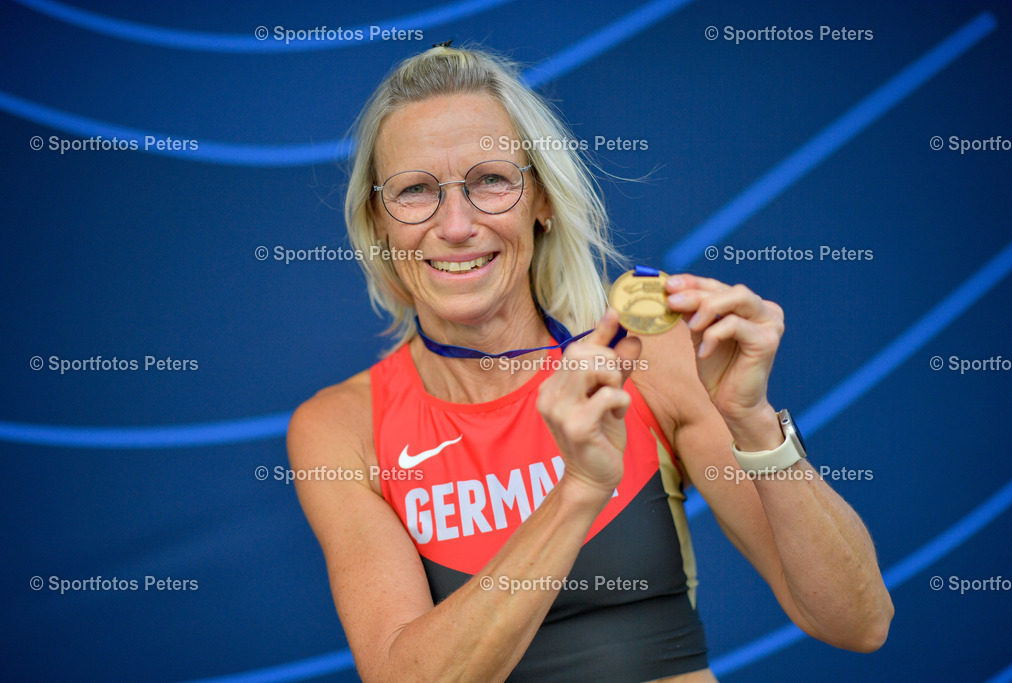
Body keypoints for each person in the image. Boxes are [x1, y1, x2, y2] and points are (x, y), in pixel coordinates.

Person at [288, 44, 893, 682]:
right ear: (379, 223)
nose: (457, 225)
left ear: (541, 200)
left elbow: (857, 623)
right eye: (415, 191)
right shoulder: (342, 428)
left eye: (492, 180)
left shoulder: (650, 361)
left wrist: (753, 423)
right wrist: (579, 489)